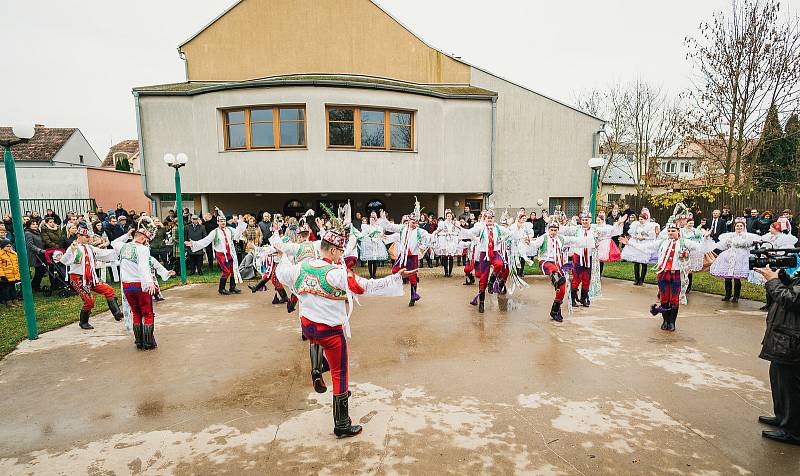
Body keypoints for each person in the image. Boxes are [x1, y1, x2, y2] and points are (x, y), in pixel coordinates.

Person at [275, 223, 416, 438]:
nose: (341, 255)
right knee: (340, 373)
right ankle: (342, 423)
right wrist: (396, 278)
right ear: (332, 250)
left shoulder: (301, 268)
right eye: (340, 251)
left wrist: (282, 254)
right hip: (329, 332)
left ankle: (317, 367)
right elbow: (364, 286)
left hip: (307, 328)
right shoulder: (336, 273)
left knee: (315, 337)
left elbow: (282, 272)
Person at [622, 220, 712, 331]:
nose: (670, 233)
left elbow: (701, 248)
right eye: (669, 231)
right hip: (663, 274)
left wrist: (706, 238)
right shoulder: (662, 242)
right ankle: (665, 321)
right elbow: (646, 247)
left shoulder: (684, 242)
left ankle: (672, 322)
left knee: (674, 299)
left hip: (676, 275)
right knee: (664, 299)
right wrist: (629, 243)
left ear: (678, 232)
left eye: (673, 231)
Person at [752, 265, 800, 446]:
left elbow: (793, 300)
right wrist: (783, 278)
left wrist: (772, 281)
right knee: (779, 377)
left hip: (793, 339)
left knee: (790, 385)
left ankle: (793, 430)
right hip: (786, 335)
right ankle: (783, 417)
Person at [112, 218, 175, 349]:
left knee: (136, 313)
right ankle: (148, 342)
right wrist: (149, 283)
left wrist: (126, 235)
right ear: (142, 238)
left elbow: (114, 242)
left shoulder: (123, 246)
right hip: (140, 285)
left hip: (127, 286)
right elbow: (143, 267)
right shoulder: (142, 249)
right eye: (147, 239)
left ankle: (139, 341)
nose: (147, 242)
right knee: (147, 313)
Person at [59, 225, 124, 329]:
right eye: (86, 237)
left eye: (89, 236)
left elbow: (103, 253)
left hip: (91, 278)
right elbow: (64, 261)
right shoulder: (74, 247)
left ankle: (117, 314)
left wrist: (119, 251)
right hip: (78, 278)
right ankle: (83, 322)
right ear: (79, 236)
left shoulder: (89, 247)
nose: (89, 238)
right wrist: (71, 250)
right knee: (89, 301)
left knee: (109, 290)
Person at [529, 216, 592, 322]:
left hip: (558, 265)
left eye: (555, 230)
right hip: (546, 262)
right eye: (551, 230)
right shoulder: (543, 238)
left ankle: (555, 310)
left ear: (558, 230)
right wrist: (528, 242)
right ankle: (555, 278)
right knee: (554, 272)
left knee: (562, 288)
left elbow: (575, 240)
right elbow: (534, 244)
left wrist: (591, 240)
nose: (553, 232)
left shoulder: (562, 238)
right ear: (548, 229)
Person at [377, 200, 431, 307]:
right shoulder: (402, 228)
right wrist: (383, 218)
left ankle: (413, 296)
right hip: (402, 256)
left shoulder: (420, 231)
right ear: (409, 221)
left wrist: (422, 247)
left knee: (412, 278)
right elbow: (390, 227)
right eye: (413, 222)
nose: (415, 224)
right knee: (394, 270)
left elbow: (429, 238)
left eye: (416, 222)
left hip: (413, 257)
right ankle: (396, 285)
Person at [186, 210, 247, 295]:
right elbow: (206, 241)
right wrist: (193, 243)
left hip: (230, 253)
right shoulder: (215, 232)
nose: (223, 223)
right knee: (226, 271)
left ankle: (232, 287)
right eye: (221, 221)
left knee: (234, 270)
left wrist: (239, 222)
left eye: (224, 221)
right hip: (220, 254)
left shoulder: (229, 230)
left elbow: (239, 232)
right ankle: (221, 289)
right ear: (218, 222)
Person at [748, 219, 798, 311]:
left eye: (771, 227)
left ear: (776, 228)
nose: (769, 229)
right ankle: (768, 303)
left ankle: (774, 303)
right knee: (768, 283)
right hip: (770, 261)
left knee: (776, 282)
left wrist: (775, 254)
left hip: (778, 262)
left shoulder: (784, 238)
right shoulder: (768, 237)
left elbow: (784, 251)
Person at [711, 217, 764, 303]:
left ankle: (736, 296)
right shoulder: (730, 236)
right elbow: (724, 245)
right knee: (727, 277)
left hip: (741, 257)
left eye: (741, 226)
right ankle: (727, 295)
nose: (739, 227)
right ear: (735, 227)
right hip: (730, 256)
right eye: (737, 226)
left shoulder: (748, 237)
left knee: (736, 278)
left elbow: (750, 245)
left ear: (744, 227)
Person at [620, 208, 658, 285]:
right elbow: (632, 234)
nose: (640, 220)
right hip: (636, 244)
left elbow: (652, 236)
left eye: (642, 219)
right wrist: (635, 237)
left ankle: (642, 279)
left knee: (643, 263)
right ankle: (636, 279)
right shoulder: (636, 225)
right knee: (636, 262)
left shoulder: (651, 225)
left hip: (645, 244)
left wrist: (643, 237)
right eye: (640, 219)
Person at [353, 211, 388, 279]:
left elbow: (380, 234)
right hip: (369, 244)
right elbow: (364, 234)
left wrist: (376, 238)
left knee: (374, 261)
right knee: (369, 260)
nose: (371, 221)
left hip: (375, 244)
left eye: (372, 220)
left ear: (375, 220)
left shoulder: (378, 227)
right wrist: (368, 237)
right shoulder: (367, 227)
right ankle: (370, 274)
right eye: (370, 220)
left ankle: (374, 274)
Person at [432, 209, 462, 277]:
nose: (449, 217)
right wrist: (437, 233)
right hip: (445, 240)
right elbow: (439, 231)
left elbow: (458, 231)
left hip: (452, 240)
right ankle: (446, 272)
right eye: (448, 216)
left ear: (452, 216)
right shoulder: (442, 223)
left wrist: (453, 234)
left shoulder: (454, 223)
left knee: (451, 257)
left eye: (450, 216)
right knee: (445, 257)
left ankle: (450, 272)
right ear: (446, 216)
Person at [24, 221, 46, 292]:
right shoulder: (28, 233)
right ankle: (34, 286)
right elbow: (30, 245)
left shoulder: (37, 232)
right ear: (29, 225)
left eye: (36, 224)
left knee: (41, 270)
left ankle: (35, 285)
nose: (35, 225)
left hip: (41, 254)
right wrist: (39, 250)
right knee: (39, 270)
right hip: (35, 255)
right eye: (33, 224)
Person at [0, 239, 20, 307]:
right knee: (6, 289)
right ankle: (8, 302)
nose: (9, 247)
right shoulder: (1, 255)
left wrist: (17, 274)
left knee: (13, 288)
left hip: (13, 275)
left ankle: (15, 300)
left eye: (10, 246)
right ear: (3, 247)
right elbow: (0, 267)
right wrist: (2, 275)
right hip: (5, 276)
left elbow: (16, 265)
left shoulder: (14, 254)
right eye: (7, 246)